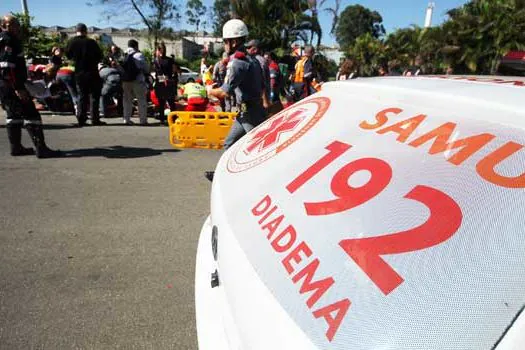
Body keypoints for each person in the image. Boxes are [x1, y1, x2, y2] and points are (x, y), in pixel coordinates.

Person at [205, 19, 266, 181]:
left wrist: (210, 90)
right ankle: (224, 175)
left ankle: (261, 180)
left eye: (226, 41)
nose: (224, 44)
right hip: (246, 111)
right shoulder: (251, 59)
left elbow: (225, 93)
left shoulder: (238, 62)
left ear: (234, 41)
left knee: (258, 149)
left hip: (250, 112)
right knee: (230, 143)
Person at [0, 15, 61, 158]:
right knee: (31, 114)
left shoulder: (4, 39)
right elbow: (7, 66)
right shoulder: (9, 40)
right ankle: (41, 149)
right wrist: (18, 87)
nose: (16, 27)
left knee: (13, 115)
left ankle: (16, 147)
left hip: (4, 84)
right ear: (5, 25)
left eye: (16, 24)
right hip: (11, 84)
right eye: (13, 24)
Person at [65, 23, 105, 126]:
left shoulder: (72, 42)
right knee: (94, 96)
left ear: (76, 31)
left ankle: (81, 119)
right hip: (92, 71)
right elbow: (100, 56)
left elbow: (68, 55)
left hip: (79, 72)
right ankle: (95, 118)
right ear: (86, 31)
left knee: (82, 95)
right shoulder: (91, 42)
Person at [121, 39, 149, 126]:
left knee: (127, 100)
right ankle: (142, 120)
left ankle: (126, 119)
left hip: (125, 81)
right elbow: (145, 68)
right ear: (136, 46)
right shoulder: (139, 55)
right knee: (141, 100)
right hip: (138, 80)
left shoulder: (123, 55)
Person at [153, 43, 178, 125]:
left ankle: (166, 119)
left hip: (165, 82)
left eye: (159, 49)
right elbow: (174, 71)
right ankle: (165, 119)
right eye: (159, 49)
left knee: (167, 102)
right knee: (163, 102)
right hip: (163, 82)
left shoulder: (167, 60)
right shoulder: (156, 60)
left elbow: (174, 71)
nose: (159, 51)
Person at [266, 51, 283, 115]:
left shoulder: (272, 66)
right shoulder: (274, 64)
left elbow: (272, 80)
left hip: (273, 89)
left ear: (270, 58)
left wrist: (272, 91)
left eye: (267, 58)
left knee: (274, 104)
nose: (266, 59)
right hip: (276, 88)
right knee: (277, 103)